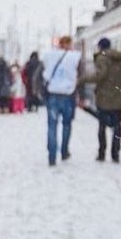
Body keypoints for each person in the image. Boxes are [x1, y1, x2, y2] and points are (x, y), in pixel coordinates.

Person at [89, 37, 121, 162]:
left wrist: (82, 80)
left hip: (103, 99)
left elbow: (100, 75)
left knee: (102, 127)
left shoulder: (101, 59)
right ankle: (115, 154)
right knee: (117, 127)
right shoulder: (120, 59)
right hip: (118, 99)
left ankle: (102, 153)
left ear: (100, 47)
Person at [40, 35, 82, 166]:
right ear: (69, 44)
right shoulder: (75, 57)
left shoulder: (49, 56)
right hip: (68, 96)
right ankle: (64, 151)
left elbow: (42, 73)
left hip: (53, 95)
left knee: (52, 126)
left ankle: (52, 157)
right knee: (67, 125)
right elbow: (80, 75)